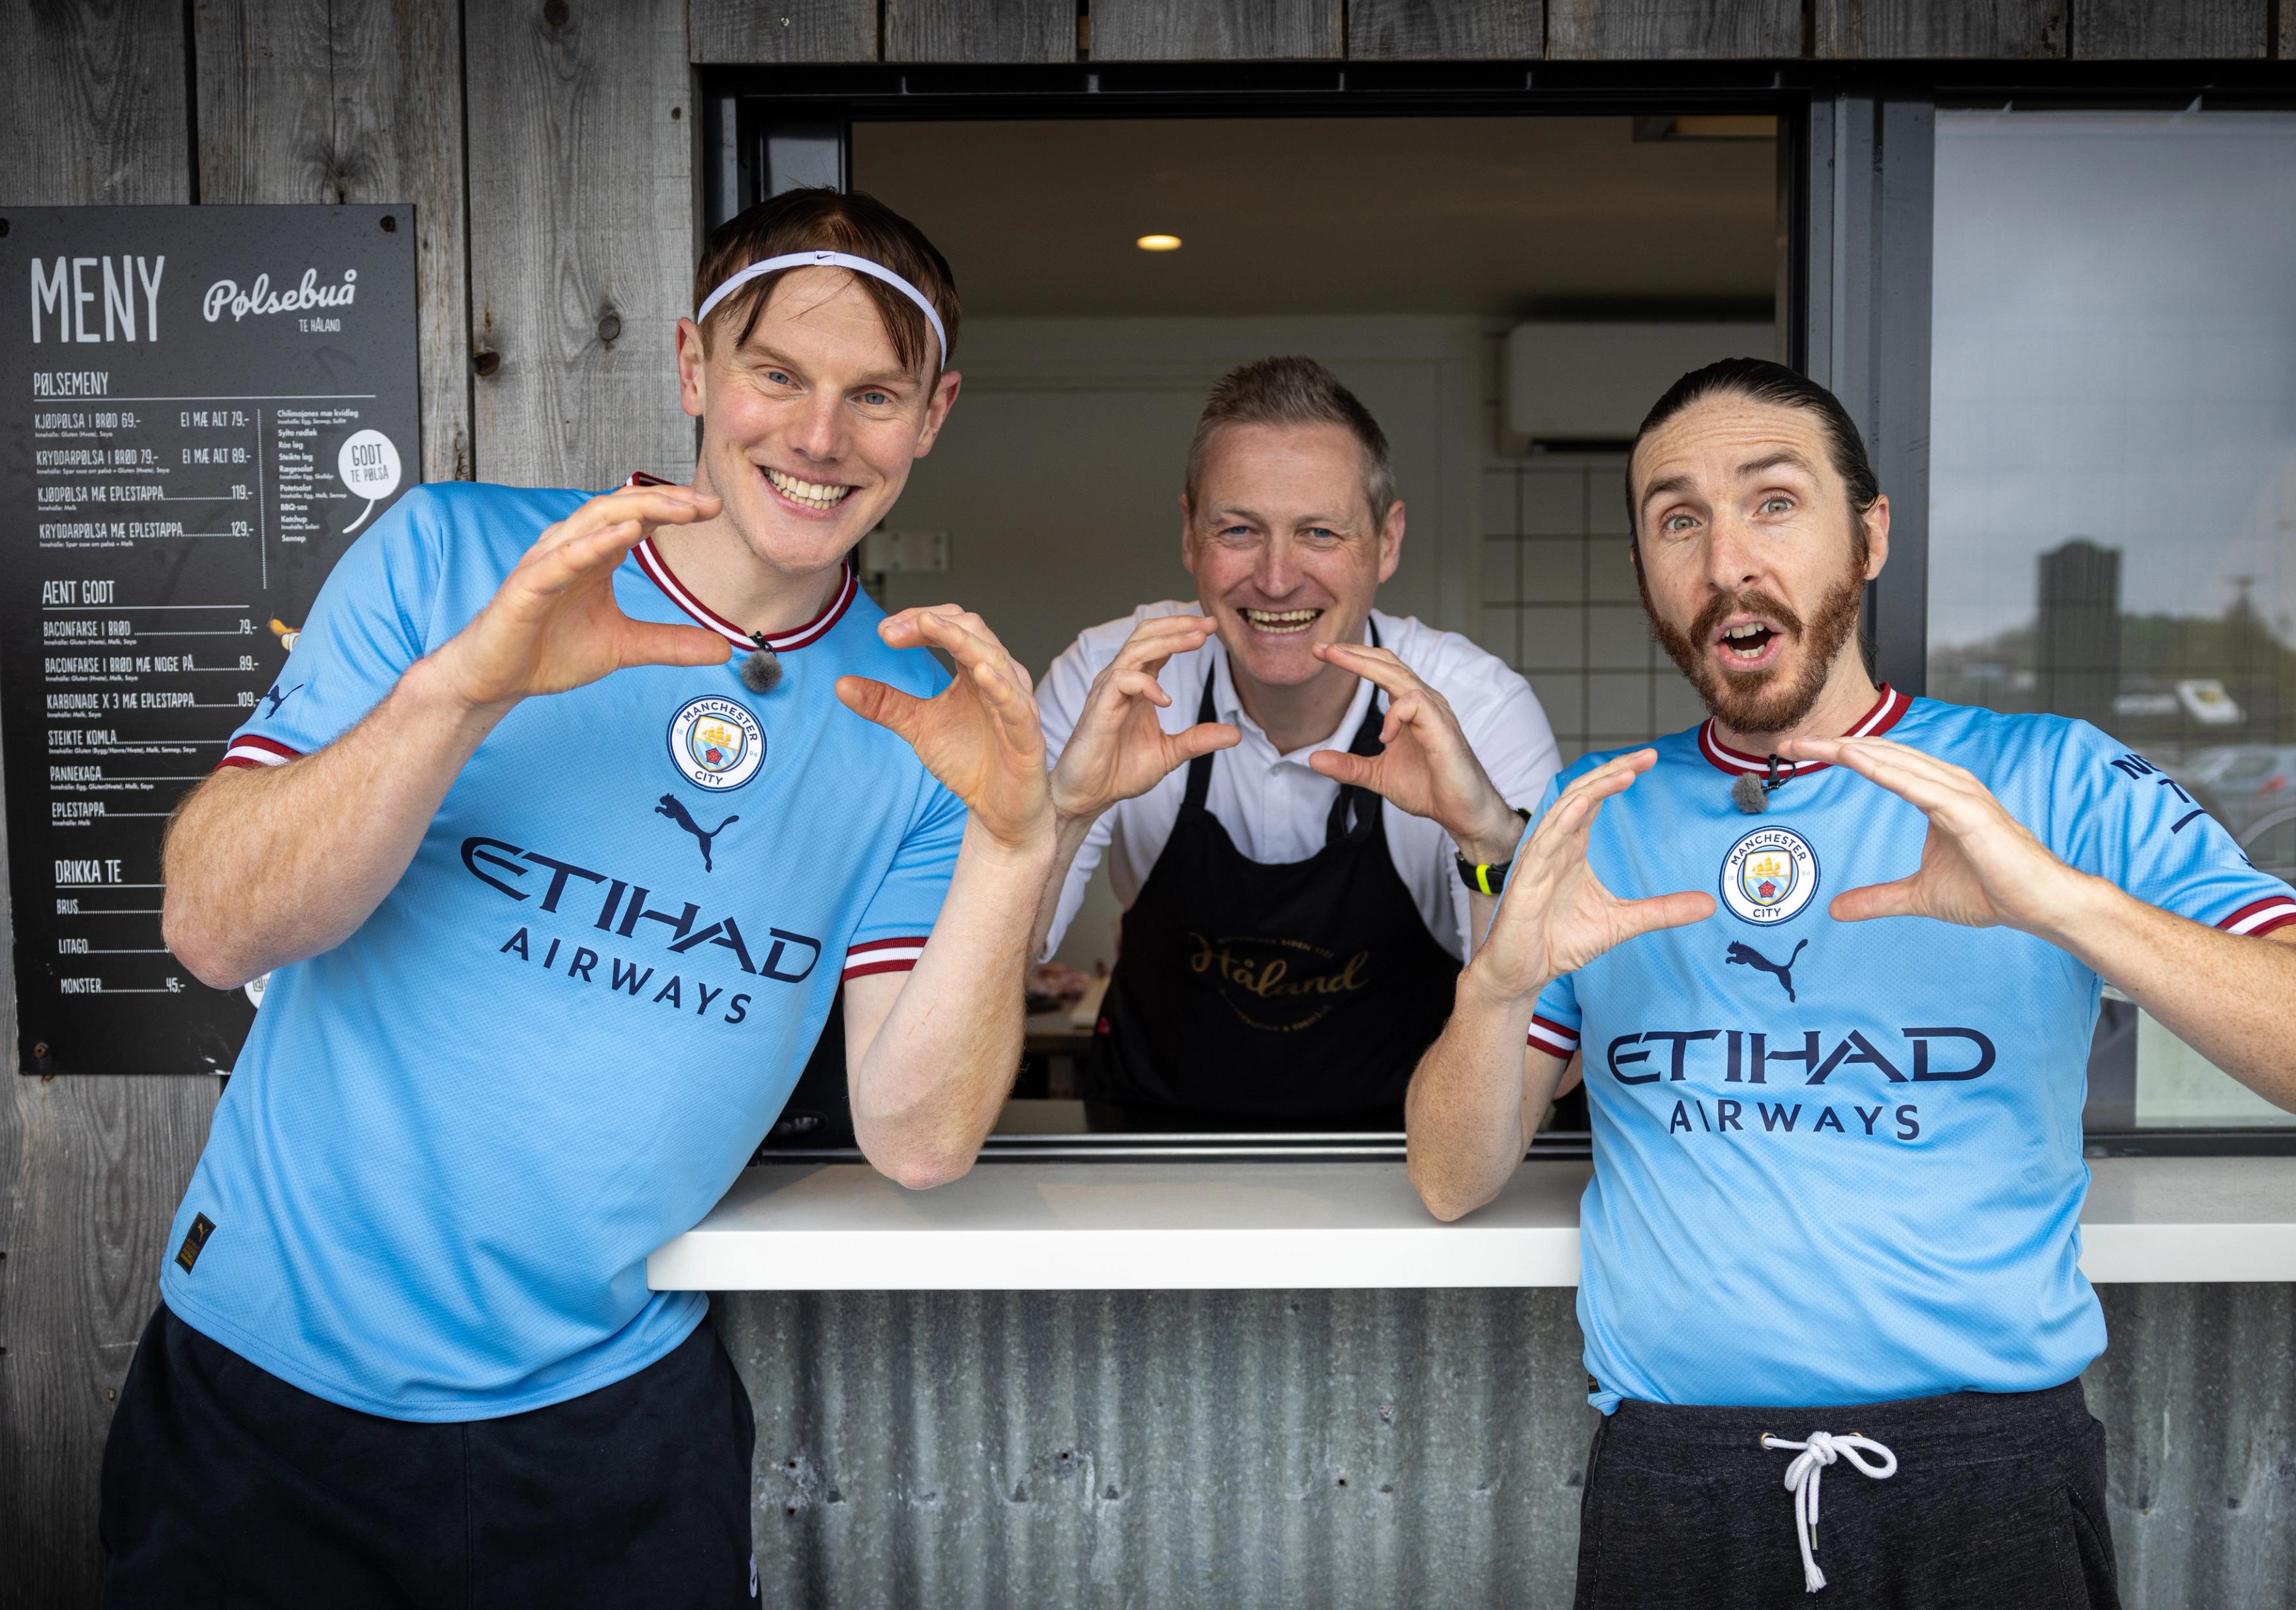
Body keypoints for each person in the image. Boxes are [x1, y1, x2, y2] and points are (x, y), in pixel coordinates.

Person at [100, 190, 1056, 1606]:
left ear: (935, 415)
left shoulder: (925, 712)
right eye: (775, 373)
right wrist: (464, 689)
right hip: (265, 1389)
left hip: (615, 1428)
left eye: (875, 394)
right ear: (691, 369)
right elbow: (215, 925)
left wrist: (1021, 838)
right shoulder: (454, 558)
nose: (817, 435)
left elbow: (916, 1136)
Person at [1404, 358, 2296, 1607]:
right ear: (1647, 575)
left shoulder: (2051, 778)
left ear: (1871, 535)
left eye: (1774, 502)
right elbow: (1452, 1176)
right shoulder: (1602, 817)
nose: (1728, 558)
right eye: (1678, 519)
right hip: (1675, 1483)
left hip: (1988, 1477)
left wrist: (2056, 901)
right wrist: (1498, 987)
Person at [1035, 357, 1561, 1130]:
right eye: (1239, 530)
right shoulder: (1113, 680)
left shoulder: (1477, 707)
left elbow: (1543, 1031)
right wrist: (1068, 812)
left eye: (1319, 532)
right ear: (1189, 536)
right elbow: (989, 966)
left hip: (1406, 1157)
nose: (1277, 579)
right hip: (1149, 1150)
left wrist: (1487, 839)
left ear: (1387, 542)